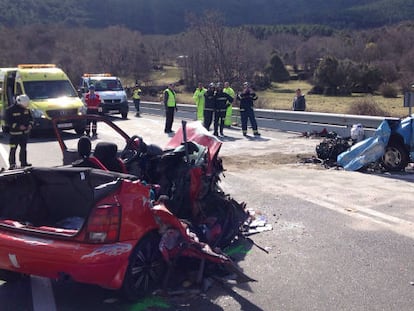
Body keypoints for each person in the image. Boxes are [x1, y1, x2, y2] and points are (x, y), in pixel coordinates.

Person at [6, 94, 33, 169]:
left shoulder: (26, 109)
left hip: (25, 134)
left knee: (23, 148)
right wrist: (18, 126)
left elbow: (31, 118)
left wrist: (30, 124)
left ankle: (24, 162)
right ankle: (12, 164)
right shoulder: (10, 110)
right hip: (15, 134)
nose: (25, 106)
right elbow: (8, 122)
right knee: (13, 149)